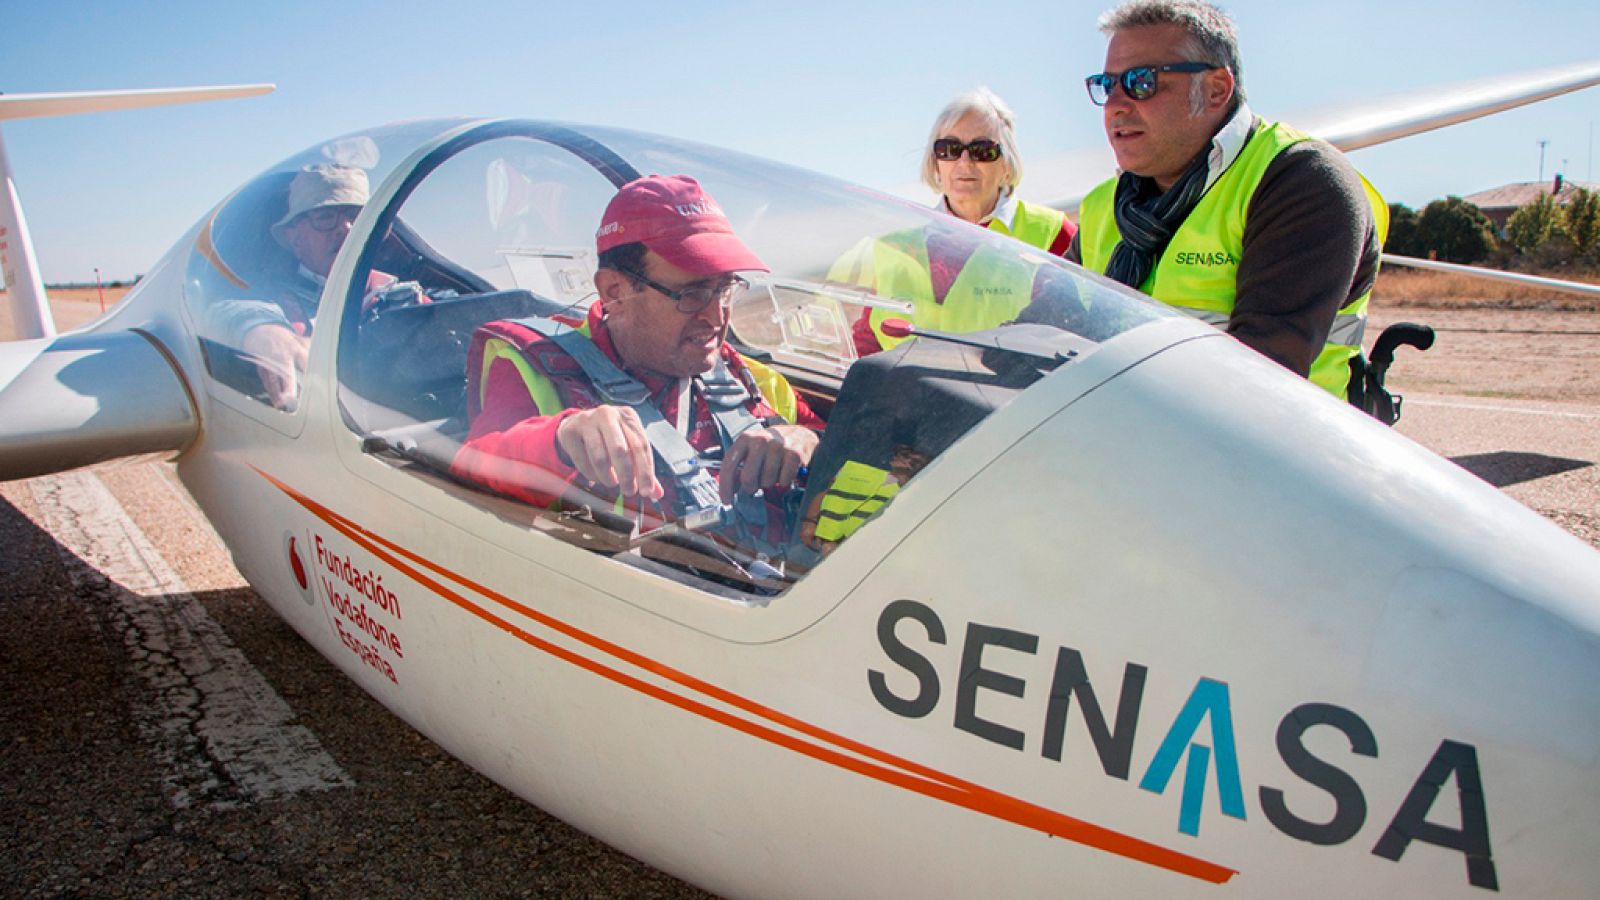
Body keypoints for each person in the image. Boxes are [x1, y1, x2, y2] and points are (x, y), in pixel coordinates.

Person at [450, 175, 824, 562]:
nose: (716, 316)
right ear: (615, 292)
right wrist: (561, 440)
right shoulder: (538, 366)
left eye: (725, 289)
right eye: (692, 294)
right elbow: (470, 471)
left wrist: (806, 441)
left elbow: (828, 437)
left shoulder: (746, 377)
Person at [1070, 0, 1385, 400]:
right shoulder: (1102, 205)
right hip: (1135, 436)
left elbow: (1258, 379)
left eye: (1141, 82)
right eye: (1106, 85)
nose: (1115, 105)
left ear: (1216, 89)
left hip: (1276, 452)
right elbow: (1049, 330)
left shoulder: (1301, 180)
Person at [843, 88, 1077, 357]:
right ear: (935, 163)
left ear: (1007, 165)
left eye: (982, 150)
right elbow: (867, 345)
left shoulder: (1054, 234)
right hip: (909, 396)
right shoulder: (893, 247)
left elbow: (1081, 334)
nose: (964, 162)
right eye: (949, 149)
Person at [209, 163, 400, 408]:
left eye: (356, 216)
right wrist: (263, 330)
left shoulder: (405, 293)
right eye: (325, 217)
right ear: (294, 237)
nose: (346, 229)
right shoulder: (271, 299)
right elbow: (223, 310)